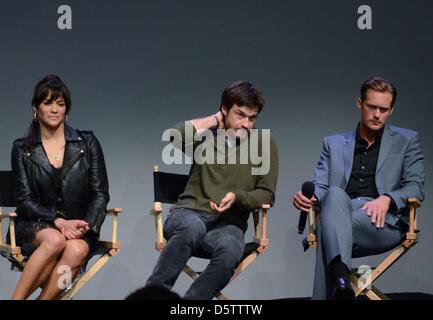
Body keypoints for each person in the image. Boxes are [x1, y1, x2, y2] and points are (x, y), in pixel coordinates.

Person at [292, 76, 425, 300]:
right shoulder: (333, 143)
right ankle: (341, 280)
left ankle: (339, 276)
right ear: (359, 104)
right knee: (334, 194)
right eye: (372, 107)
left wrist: (388, 198)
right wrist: (311, 197)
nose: (377, 114)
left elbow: (416, 187)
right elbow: (322, 186)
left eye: (384, 109)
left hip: (382, 223)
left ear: (391, 111)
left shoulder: (407, 141)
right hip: (341, 210)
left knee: (327, 226)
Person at [145, 80, 279, 299]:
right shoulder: (207, 137)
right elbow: (174, 136)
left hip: (228, 224)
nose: (246, 124)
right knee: (192, 228)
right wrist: (217, 119)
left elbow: (267, 194)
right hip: (187, 215)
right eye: (240, 115)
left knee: (231, 251)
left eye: (252, 118)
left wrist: (238, 197)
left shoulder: (264, 143)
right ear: (225, 109)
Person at [10, 75, 110, 299]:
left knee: (75, 249)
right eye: (48, 103)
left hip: (79, 228)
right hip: (36, 224)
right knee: (55, 240)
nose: (55, 109)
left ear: (67, 110)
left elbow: (100, 193)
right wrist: (57, 221)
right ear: (36, 108)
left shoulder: (87, 143)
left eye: (61, 103)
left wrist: (86, 225)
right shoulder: (21, 149)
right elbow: (24, 201)